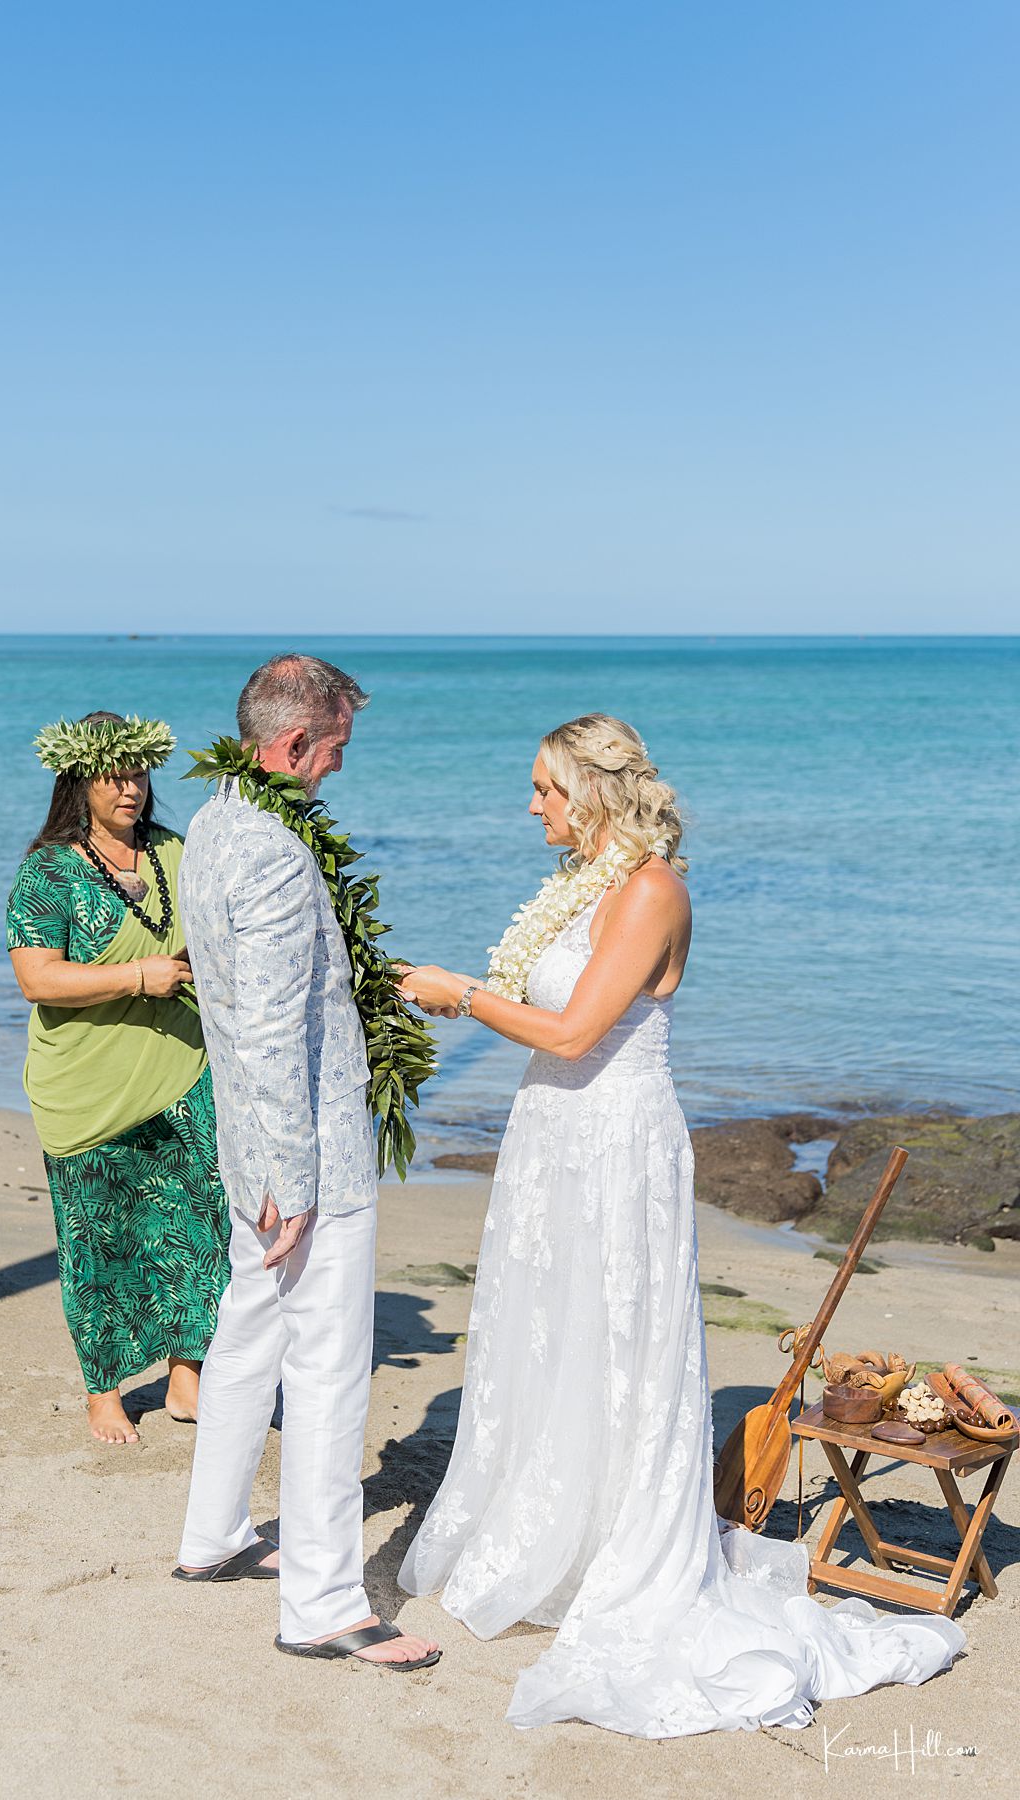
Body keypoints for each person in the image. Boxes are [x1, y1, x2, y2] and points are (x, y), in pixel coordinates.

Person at [394, 713, 964, 1735]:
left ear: (596, 791)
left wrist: (465, 994)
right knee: (548, 1327)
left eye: (545, 788)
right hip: (554, 1135)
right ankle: (540, 1530)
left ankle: (606, 1544)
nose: (532, 806)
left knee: (614, 1337)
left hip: (615, 1143)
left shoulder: (653, 890)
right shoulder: (583, 889)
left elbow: (574, 1032)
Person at [173, 654, 440, 1674]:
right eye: (333, 750)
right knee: (327, 1370)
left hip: (250, 1138)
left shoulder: (212, 821)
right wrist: (290, 1173)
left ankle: (214, 1535)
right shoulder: (279, 855)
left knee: (246, 1333)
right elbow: (277, 1024)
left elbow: (232, 1013)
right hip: (305, 1152)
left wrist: (256, 1160)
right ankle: (323, 1605)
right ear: (292, 745)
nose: (334, 769)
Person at [7, 710, 230, 1447]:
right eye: (114, 775)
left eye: (138, 773)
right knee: (99, 1238)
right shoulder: (50, 870)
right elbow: (37, 980)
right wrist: (139, 974)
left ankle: (185, 1376)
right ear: (79, 780)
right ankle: (103, 1391)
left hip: (182, 1070)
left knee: (198, 1222)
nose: (131, 788)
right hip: (88, 1087)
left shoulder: (173, 850)